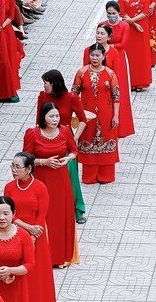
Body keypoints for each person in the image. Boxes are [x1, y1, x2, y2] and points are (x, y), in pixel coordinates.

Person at [4, 155, 57, 302]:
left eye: (17, 167)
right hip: (17, 234)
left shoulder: (40, 188)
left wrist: (34, 236)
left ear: (28, 169)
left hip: (37, 238)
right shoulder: (9, 187)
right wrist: (27, 229)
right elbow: (8, 213)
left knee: (37, 277)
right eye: (12, 166)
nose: (13, 170)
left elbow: (42, 216)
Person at [22, 105, 79, 267]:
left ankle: (61, 256)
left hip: (61, 180)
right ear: (43, 117)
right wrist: (43, 162)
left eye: (57, 116)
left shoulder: (65, 131)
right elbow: (25, 158)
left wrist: (68, 159)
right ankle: (44, 256)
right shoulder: (32, 134)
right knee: (43, 215)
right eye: (51, 117)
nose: (55, 120)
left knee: (60, 216)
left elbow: (74, 150)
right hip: (41, 179)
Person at [72, 43, 122, 184]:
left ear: (103, 56)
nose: (94, 58)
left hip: (106, 114)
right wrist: (75, 114)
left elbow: (116, 96)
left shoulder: (110, 74)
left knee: (106, 139)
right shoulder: (81, 73)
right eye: (92, 55)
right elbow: (74, 95)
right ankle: (89, 176)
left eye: (97, 55)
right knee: (88, 139)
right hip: (86, 115)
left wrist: (116, 115)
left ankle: (106, 175)